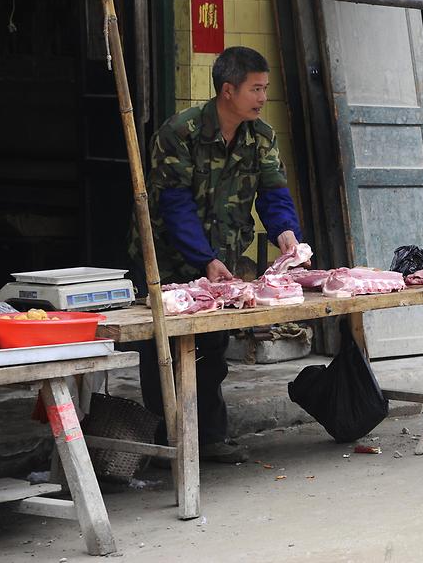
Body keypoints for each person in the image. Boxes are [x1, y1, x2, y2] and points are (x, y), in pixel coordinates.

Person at [128, 46, 302, 464]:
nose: (263, 97)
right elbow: (175, 205)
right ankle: (166, 442)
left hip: (221, 258)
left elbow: (274, 192)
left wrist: (286, 232)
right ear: (228, 90)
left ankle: (209, 439)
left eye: (265, 88)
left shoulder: (261, 135)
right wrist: (203, 258)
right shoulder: (179, 133)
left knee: (211, 350)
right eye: (256, 89)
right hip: (168, 259)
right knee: (164, 355)